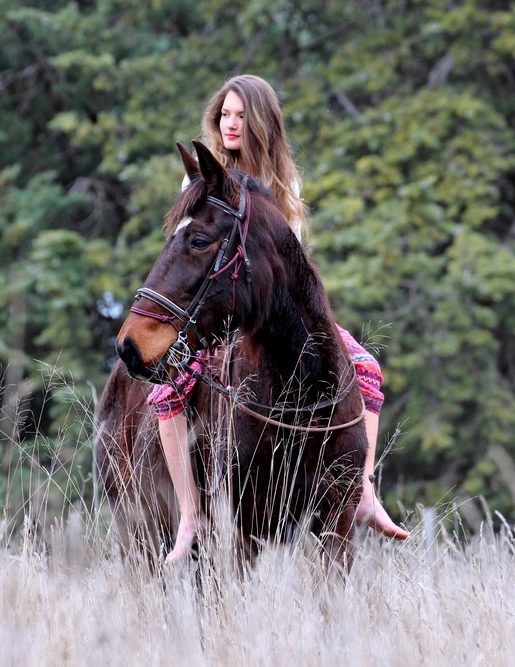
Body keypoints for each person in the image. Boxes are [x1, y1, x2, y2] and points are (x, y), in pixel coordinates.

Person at [150, 74, 410, 563]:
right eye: (224, 114)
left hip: (279, 309)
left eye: (240, 116)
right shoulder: (200, 179)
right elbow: (187, 250)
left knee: (366, 367)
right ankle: (189, 511)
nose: (229, 124)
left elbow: (291, 258)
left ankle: (362, 489)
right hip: (222, 304)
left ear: (260, 122)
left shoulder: (280, 180)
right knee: (168, 385)